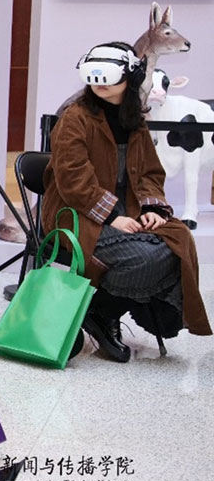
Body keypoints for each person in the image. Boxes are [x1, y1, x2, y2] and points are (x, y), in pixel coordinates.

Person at [43, 42, 210, 363]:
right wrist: (111, 217)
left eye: (108, 76)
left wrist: (151, 208)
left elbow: (150, 171)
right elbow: (72, 180)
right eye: (95, 76)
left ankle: (100, 309)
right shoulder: (75, 118)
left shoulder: (134, 119)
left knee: (178, 241)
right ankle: (102, 311)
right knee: (148, 258)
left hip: (129, 211)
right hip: (77, 215)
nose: (100, 83)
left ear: (129, 78)